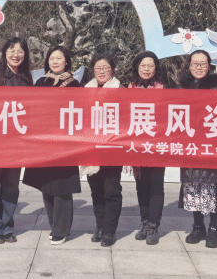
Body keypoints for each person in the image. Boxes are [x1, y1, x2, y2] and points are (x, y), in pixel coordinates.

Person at [23, 45, 82, 246]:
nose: (55, 62)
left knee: (62, 186)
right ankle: (54, 225)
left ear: (66, 61)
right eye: (52, 58)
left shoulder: (75, 85)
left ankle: (61, 230)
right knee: (46, 185)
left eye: (59, 58)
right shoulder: (41, 82)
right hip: (43, 142)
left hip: (65, 143)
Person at [178, 50, 217, 249]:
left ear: (209, 66)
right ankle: (198, 226)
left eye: (203, 63)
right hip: (189, 142)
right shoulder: (182, 85)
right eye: (195, 63)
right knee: (192, 184)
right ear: (189, 65)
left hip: (212, 141)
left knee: (213, 186)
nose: (199, 67)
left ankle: (214, 229)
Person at [0, 37, 33, 244]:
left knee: (11, 186)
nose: (15, 55)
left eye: (20, 51)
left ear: (25, 55)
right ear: (5, 53)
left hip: (17, 140)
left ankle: (7, 226)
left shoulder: (26, 77)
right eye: (12, 50)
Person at [82, 53, 123, 248]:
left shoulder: (121, 90)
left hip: (112, 148)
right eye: (98, 68)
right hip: (92, 149)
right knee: (96, 191)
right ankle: (99, 226)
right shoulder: (86, 90)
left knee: (111, 191)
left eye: (105, 68)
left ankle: (109, 231)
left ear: (112, 70)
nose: (102, 71)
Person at [128, 50, 166, 246]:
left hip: (157, 145)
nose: (146, 69)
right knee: (141, 185)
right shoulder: (129, 88)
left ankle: (153, 225)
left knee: (156, 185)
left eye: (150, 65)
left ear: (155, 68)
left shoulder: (164, 88)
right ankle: (144, 222)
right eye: (143, 65)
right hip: (137, 145)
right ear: (137, 68)